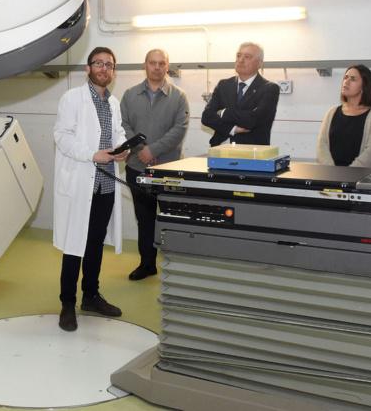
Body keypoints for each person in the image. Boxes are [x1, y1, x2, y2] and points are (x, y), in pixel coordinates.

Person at [52, 47, 128, 332]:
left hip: (105, 183)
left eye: (109, 64)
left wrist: (122, 149)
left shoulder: (114, 103)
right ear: (88, 68)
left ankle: (91, 296)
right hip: (80, 181)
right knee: (75, 244)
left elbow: (117, 133)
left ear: (113, 71)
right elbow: (61, 136)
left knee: (95, 242)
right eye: (99, 63)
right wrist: (92, 154)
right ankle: (67, 303)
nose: (104, 68)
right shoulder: (72, 98)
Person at [120, 49, 189, 281]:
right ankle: (147, 264)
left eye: (161, 63)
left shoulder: (179, 97)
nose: (157, 67)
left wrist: (153, 150)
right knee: (145, 219)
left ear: (167, 66)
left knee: (173, 219)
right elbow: (123, 126)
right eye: (153, 63)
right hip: (137, 168)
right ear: (145, 65)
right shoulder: (129, 95)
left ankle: (176, 266)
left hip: (169, 170)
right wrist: (141, 150)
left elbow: (179, 129)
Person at [201, 42, 280, 146]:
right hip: (220, 148)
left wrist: (224, 112)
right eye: (238, 56)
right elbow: (207, 117)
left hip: (252, 151)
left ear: (260, 63)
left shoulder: (269, 88)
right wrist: (233, 129)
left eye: (247, 57)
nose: (241, 60)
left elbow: (254, 120)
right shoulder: (224, 85)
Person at [316, 65, 371, 168]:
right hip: (330, 174)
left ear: (364, 86)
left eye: (353, 79)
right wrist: (332, 172)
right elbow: (322, 145)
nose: (346, 82)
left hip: (361, 176)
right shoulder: (332, 112)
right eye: (345, 77)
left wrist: (348, 174)